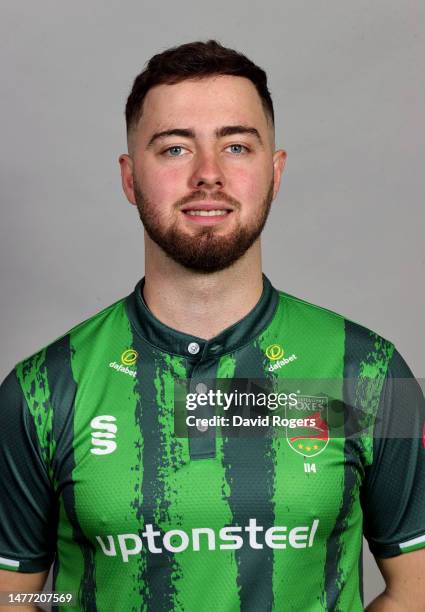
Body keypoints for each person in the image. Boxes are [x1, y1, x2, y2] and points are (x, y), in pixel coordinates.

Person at [0, 39, 424, 612]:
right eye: (175, 149)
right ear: (130, 178)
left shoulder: (368, 374)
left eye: (237, 147)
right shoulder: (42, 390)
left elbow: (417, 587)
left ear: (275, 173)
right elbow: (17, 599)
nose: (208, 175)